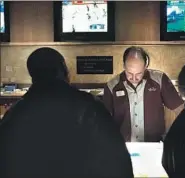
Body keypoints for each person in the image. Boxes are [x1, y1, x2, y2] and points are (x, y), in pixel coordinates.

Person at [0, 47, 134, 178]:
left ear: (32, 74)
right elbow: (118, 161)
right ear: (64, 70)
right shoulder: (89, 106)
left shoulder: (15, 113)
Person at [103, 46, 184, 142]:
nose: (134, 78)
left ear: (146, 67)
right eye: (129, 73)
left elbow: (180, 108)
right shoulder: (112, 86)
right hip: (123, 145)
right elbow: (104, 121)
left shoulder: (160, 80)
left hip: (154, 144)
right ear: (124, 66)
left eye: (139, 73)